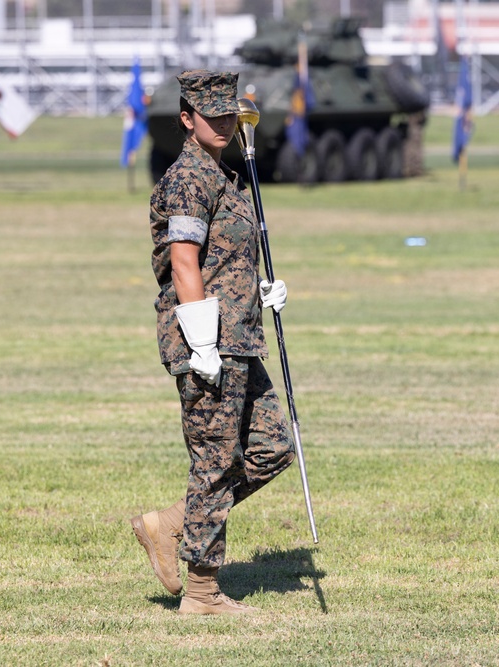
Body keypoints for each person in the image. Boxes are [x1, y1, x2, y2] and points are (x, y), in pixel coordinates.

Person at [130, 70, 295, 616]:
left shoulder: (227, 176)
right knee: (215, 460)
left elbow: (227, 256)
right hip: (208, 341)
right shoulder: (188, 179)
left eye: (230, 114)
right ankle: (202, 593)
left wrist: (259, 289)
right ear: (187, 119)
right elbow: (182, 262)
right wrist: (201, 341)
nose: (224, 124)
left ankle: (174, 523)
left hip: (241, 335)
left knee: (273, 446)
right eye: (212, 115)